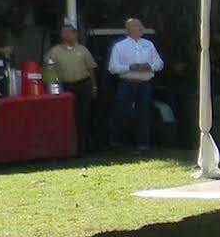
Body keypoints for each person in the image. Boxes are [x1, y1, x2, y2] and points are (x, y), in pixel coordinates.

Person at [107, 17, 164, 151]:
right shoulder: (120, 46)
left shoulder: (149, 44)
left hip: (144, 84)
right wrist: (130, 67)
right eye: (137, 26)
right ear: (129, 30)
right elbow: (112, 67)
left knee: (144, 113)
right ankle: (117, 142)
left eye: (140, 26)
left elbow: (159, 64)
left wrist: (149, 67)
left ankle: (143, 144)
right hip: (127, 84)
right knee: (122, 113)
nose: (140, 28)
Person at [45, 21, 98, 155]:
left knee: (84, 116)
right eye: (69, 32)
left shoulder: (83, 50)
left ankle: (85, 147)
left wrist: (94, 87)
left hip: (83, 85)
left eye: (74, 32)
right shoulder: (54, 52)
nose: (73, 35)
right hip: (66, 87)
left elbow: (91, 69)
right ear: (63, 35)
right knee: (69, 117)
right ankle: (69, 148)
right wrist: (54, 90)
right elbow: (49, 71)